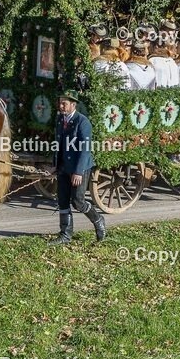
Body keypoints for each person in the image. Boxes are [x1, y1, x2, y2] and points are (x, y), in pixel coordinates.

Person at [50, 90, 106, 246]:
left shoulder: (83, 122)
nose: (60, 106)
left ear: (73, 105)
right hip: (63, 168)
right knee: (62, 200)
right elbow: (58, 145)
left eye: (64, 103)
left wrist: (78, 171)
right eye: (60, 103)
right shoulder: (60, 120)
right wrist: (54, 166)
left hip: (78, 169)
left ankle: (98, 219)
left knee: (78, 202)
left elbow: (85, 149)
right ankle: (65, 234)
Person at [148, 22, 180, 88]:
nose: (171, 36)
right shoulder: (155, 40)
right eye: (168, 33)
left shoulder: (173, 45)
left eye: (173, 33)